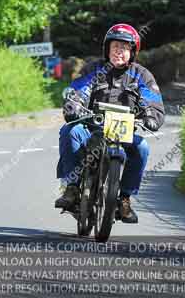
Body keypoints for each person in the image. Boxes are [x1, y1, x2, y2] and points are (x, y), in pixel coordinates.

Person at [54, 23, 165, 223]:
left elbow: (152, 100)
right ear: (107, 49)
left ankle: (124, 198)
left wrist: (151, 116)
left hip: (124, 131)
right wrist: (74, 105)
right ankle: (71, 187)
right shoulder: (93, 69)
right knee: (70, 132)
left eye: (124, 48)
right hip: (92, 127)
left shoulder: (142, 75)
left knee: (143, 148)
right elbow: (79, 90)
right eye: (115, 47)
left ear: (132, 52)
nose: (119, 52)